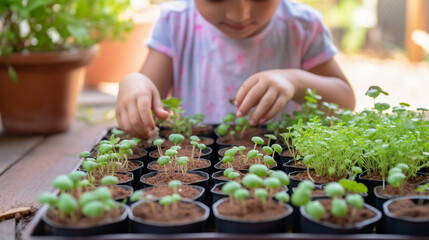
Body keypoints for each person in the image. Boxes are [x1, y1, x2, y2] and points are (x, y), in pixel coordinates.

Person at [116, 0, 356, 138]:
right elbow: (147, 98)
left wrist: (296, 81)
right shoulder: (176, 22)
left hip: (281, 156)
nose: (239, 14)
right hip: (192, 157)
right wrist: (135, 83)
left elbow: (344, 101)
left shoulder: (302, 25)